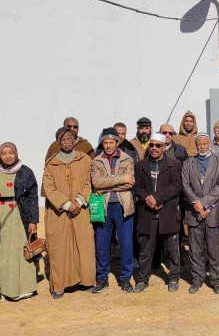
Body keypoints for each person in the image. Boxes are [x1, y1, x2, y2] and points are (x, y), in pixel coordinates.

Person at [42, 128, 96, 299]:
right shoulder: (52, 164)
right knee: (59, 248)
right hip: (60, 213)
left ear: (74, 140)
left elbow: (89, 182)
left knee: (84, 246)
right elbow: (48, 188)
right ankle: (60, 286)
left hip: (81, 210)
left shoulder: (84, 159)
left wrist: (79, 202)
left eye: (70, 138)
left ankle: (86, 281)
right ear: (58, 143)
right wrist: (66, 204)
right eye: (63, 139)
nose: (67, 142)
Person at [133, 133, 183, 293]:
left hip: (167, 212)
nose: (154, 148)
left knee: (172, 250)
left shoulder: (174, 165)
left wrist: (158, 198)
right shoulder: (140, 165)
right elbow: (137, 186)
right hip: (146, 212)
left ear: (163, 147)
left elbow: (176, 186)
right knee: (145, 250)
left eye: (158, 146)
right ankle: (142, 279)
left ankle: (174, 277)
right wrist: (148, 199)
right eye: (151, 145)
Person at [182, 133, 219, 295]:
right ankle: (197, 279)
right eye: (199, 144)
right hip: (194, 212)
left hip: (213, 212)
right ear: (196, 145)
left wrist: (204, 204)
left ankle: (216, 280)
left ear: (209, 143)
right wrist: (196, 203)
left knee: (214, 249)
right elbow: (185, 185)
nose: (202, 146)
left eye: (204, 143)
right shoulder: (188, 163)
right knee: (195, 249)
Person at [90, 128, 136, 294]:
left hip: (123, 206)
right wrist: (121, 179)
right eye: (105, 142)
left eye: (111, 142)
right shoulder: (96, 161)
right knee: (102, 244)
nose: (108, 146)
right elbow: (96, 183)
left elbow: (130, 184)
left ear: (118, 143)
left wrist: (106, 185)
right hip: (104, 207)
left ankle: (125, 278)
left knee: (126, 244)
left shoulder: (127, 159)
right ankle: (102, 277)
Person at [0, 142, 38, 301]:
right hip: (2, 215)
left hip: (20, 215)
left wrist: (33, 220)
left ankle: (25, 289)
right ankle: (4, 289)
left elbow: (32, 197)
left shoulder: (25, 172)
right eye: (4, 153)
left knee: (20, 250)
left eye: (11, 152)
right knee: (3, 252)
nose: (8, 156)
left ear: (16, 153)